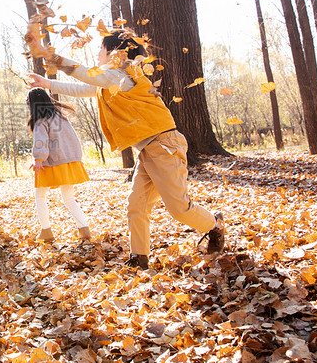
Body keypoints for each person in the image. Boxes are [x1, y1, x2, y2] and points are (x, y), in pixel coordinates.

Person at [26, 29, 225, 269]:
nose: (98, 54)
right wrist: (47, 83)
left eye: (100, 49)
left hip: (164, 146)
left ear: (115, 53)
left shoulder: (123, 72)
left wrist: (51, 55)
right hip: (149, 150)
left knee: (179, 209)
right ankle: (138, 258)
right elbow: (87, 88)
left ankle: (215, 225)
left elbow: (89, 76)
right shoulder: (111, 79)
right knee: (136, 206)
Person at [27, 88, 92, 242]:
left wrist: (38, 159)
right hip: (69, 162)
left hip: (52, 163)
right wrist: (75, 158)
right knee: (69, 198)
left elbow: (41, 141)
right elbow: (73, 139)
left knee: (40, 195)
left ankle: (46, 231)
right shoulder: (61, 117)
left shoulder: (40, 120)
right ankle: (84, 228)